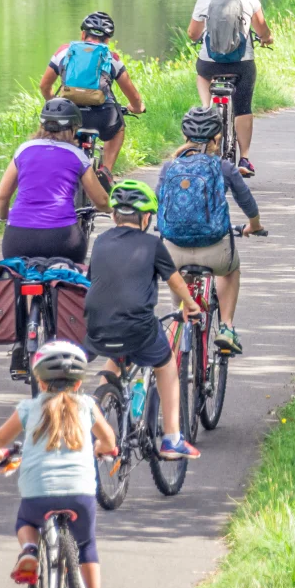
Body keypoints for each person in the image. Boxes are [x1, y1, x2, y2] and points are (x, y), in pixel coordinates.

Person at [0, 340, 119, 588]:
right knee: (86, 546)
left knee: (26, 522)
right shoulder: (87, 406)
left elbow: (2, 436)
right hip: (80, 494)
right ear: (80, 381)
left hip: (37, 493)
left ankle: (29, 550)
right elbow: (108, 439)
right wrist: (104, 449)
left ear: (39, 380)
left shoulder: (29, 408)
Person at [83, 179, 206, 460]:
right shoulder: (152, 244)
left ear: (114, 215)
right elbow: (175, 281)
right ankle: (173, 438)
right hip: (137, 328)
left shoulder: (101, 241)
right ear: (147, 217)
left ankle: (97, 411)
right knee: (166, 365)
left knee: (113, 359)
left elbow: (94, 280)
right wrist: (190, 305)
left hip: (97, 325)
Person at [158, 107, 265, 356]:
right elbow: (246, 201)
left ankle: (176, 331)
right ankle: (226, 327)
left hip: (174, 253)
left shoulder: (169, 168)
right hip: (215, 252)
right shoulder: (224, 167)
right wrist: (255, 225)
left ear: (185, 136)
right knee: (230, 270)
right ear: (217, 138)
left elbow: (158, 202)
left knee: (181, 305)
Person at [189, 0, 274, 179]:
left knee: (202, 73)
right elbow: (262, 29)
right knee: (243, 107)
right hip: (241, 64)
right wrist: (267, 39)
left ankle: (208, 110)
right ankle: (244, 158)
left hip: (210, 64)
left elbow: (192, 33)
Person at [0, 98, 113, 261]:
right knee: (73, 280)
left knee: (15, 278)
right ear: (73, 129)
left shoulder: (24, 150)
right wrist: (112, 210)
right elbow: (100, 200)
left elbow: (2, 196)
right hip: (62, 239)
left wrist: (4, 216)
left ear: (42, 125)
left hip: (17, 239)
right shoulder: (77, 155)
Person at [37, 12, 145, 185]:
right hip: (101, 116)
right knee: (119, 129)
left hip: (68, 116)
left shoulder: (63, 52)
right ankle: (106, 172)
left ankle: (54, 172)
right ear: (107, 40)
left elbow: (44, 86)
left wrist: (53, 103)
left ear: (82, 35)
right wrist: (137, 107)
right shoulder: (112, 58)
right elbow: (133, 95)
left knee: (54, 137)